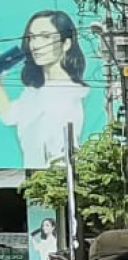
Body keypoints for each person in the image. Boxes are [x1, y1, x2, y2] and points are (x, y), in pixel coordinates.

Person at [0, 11, 90, 169]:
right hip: (32, 181)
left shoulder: (72, 94)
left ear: (66, 44)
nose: (36, 45)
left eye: (46, 37)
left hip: (57, 182)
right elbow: (10, 116)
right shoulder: (33, 92)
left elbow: (63, 156)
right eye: (32, 37)